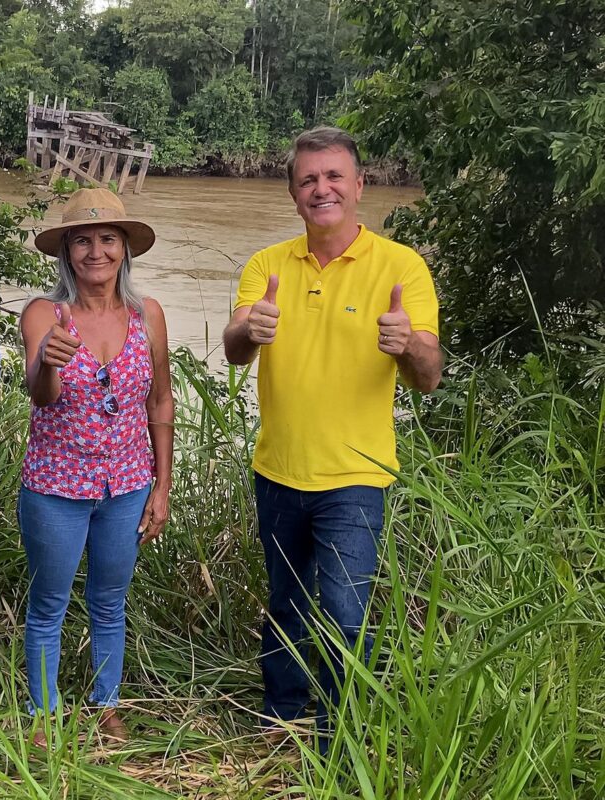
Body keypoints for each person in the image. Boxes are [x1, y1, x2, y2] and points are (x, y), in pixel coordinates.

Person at [222, 127, 442, 741]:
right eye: (309, 180)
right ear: (294, 193)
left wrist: (407, 343)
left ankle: (343, 735)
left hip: (356, 476)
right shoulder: (267, 265)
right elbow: (235, 348)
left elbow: (429, 376)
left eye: (334, 176)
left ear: (360, 185)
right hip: (278, 468)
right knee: (286, 604)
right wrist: (250, 330)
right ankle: (282, 717)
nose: (322, 189)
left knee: (346, 615)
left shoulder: (401, 267)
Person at [17, 188, 174, 743]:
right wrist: (47, 362)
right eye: (81, 241)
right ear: (67, 252)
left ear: (124, 248)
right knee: (49, 604)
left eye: (108, 238)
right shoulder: (45, 313)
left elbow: (160, 401)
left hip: (127, 485)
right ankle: (43, 712)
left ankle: (106, 704)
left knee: (110, 601)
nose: (96, 251)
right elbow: (41, 395)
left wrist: (162, 487)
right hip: (56, 485)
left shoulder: (147, 314)